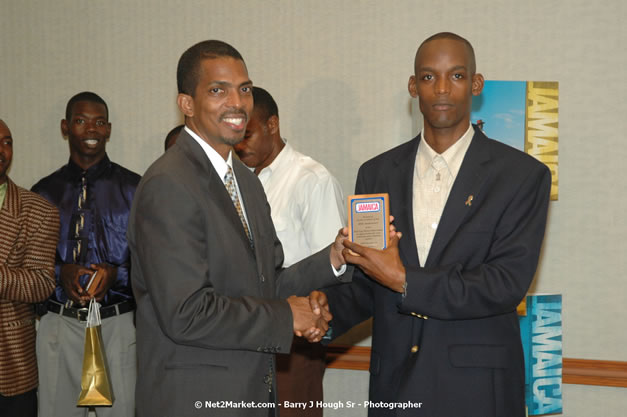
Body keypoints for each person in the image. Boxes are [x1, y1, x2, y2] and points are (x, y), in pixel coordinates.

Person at [312, 32, 552, 417]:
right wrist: (325, 312)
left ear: (476, 84)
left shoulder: (521, 176)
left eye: (456, 76)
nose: (442, 89)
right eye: (428, 77)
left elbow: (505, 283)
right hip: (394, 386)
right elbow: (368, 283)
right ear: (413, 86)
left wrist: (405, 280)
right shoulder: (376, 173)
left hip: (477, 391)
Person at [127, 40, 350, 417]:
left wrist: (331, 258)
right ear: (186, 104)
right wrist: (286, 316)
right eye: (218, 90)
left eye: (244, 89)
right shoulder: (169, 184)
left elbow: (267, 284)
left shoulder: (245, 181)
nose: (237, 102)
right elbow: (186, 312)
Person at [234, 86, 345, 417]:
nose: (239, 144)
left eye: (248, 133)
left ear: (272, 125)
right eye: (236, 135)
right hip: (245, 335)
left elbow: (332, 273)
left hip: (295, 342)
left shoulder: (311, 179)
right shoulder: (238, 180)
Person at [32, 92, 140, 417]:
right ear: (66, 127)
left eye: (99, 122)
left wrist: (115, 274)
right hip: (59, 325)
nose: (91, 129)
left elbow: (153, 264)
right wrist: (59, 273)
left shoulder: (136, 188)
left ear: (108, 129)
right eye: (81, 121)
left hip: (118, 325)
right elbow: (30, 266)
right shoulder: (43, 193)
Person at [0, 120, 59, 417]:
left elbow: (41, 284)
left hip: (9, 366)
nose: (1, 150)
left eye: (7, 142)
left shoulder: (37, 210)